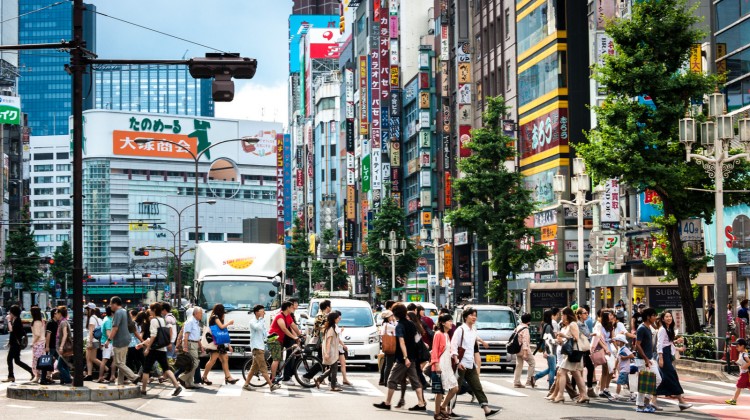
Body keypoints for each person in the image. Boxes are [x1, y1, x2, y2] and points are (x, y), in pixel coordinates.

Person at [373, 302, 428, 412]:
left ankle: (387, 403)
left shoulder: (399, 325)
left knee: (391, 380)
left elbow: (402, 342)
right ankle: (421, 403)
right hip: (412, 357)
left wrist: (405, 357)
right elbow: (417, 339)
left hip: (403, 359)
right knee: (415, 381)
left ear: (395, 313)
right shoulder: (411, 324)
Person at [450, 307, 500, 418]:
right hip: (461, 364)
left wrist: (482, 342)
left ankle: (487, 410)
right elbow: (453, 347)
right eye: (472, 315)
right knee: (455, 389)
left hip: (470, 363)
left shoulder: (473, 330)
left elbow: (474, 337)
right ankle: (448, 410)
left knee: (477, 386)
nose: (474, 317)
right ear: (465, 317)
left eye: (475, 315)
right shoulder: (460, 330)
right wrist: (457, 362)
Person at [136, 302, 182, 396]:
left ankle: (144, 390)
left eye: (151, 309)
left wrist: (147, 348)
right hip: (162, 348)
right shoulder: (163, 320)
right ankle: (177, 386)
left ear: (154, 310)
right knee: (166, 368)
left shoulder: (154, 321)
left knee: (146, 369)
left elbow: (153, 336)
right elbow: (168, 332)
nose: (150, 311)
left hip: (154, 349)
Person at [655, 310, 692, 410]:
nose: (669, 318)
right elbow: (659, 344)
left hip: (667, 354)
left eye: (670, 316)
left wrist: (677, 346)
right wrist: (661, 358)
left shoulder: (669, 329)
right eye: (666, 317)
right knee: (671, 376)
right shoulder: (662, 329)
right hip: (663, 355)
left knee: (668, 378)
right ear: (663, 319)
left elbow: (668, 344)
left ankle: (653, 400)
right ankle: (681, 402)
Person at [550, 307, 588, 404]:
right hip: (571, 352)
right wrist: (560, 340)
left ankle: (560, 395)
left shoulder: (573, 324)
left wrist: (564, 336)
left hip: (573, 352)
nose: (561, 317)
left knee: (561, 372)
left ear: (567, 315)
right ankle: (584, 395)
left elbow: (575, 338)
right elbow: (569, 340)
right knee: (576, 374)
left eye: (563, 314)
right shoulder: (568, 325)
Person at [243, 305, 280, 391]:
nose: (264, 312)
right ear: (256, 312)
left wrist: (273, 337)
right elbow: (257, 327)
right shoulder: (252, 322)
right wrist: (261, 319)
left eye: (264, 311)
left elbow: (265, 333)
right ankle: (271, 385)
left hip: (260, 347)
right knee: (263, 368)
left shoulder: (261, 321)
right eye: (262, 311)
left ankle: (246, 384)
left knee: (253, 368)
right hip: (256, 347)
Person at [202, 304, 239, 385]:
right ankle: (204, 376)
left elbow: (224, 333)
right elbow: (222, 327)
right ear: (220, 311)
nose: (224, 314)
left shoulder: (217, 318)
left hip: (219, 342)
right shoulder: (215, 317)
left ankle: (228, 377)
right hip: (215, 342)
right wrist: (229, 323)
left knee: (225, 358)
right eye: (223, 312)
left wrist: (228, 344)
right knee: (213, 360)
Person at [634, 307, 661, 413]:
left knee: (658, 379)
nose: (655, 317)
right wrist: (645, 358)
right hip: (642, 360)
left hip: (650, 359)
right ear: (648, 317)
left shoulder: (649, 327)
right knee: (643, 382)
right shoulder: (641, 328)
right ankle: (640, 405)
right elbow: (637, 344)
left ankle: (646, 401)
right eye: (654, 315)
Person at [432, 313, 459, 420]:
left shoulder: (447, 335)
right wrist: (436, 365)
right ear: (443, 323)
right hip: (440, 365)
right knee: (439, 391)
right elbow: (434, 350)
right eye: (449, 321)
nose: (451, 323)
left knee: (454, 388)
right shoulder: (438, 334)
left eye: (451, 321)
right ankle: (437, 413)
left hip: (447, 365)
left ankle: (442, 407)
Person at [108, 297, 139, 386]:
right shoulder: (125, 311)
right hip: (126, 339)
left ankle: (133, 377)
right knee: (122, 362)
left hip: (119, 341)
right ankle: (120, 382)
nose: (110, 306)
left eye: (111, 304)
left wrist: (108, 340)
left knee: (118, 363)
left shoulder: (118, 313)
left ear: (114, 304)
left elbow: (115, 328)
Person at [268, 301, 299, 383]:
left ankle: (275, 376)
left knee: (279, 358)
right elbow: (284, 329)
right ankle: (272, 379)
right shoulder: (279, 316)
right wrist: (294, 337)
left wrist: (300, 334)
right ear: (287, 308)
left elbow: (293, 325)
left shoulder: (287, 316)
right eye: (292, 307)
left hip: (279, 339)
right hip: (273, 338)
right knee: (276, 359)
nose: (293, 308)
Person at [2, 305, 33, 382]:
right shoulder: (16, 320)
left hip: (16, 345)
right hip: (15, 344)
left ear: (13, 313)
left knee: (9, 359)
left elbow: (11, 330)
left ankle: (11, 376)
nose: (9, 314)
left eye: (10, 312)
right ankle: (31, 371)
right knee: (17, 361)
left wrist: (9, 320)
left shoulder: (17, 320)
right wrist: (9, 342)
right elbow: (14, 334)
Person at [314, 311, 343, 392]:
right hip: (330, 351)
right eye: (337, 318)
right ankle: (333, 386)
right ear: (334, 319)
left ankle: (319, 379)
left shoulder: (333, 327)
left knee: (332, 368)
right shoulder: (331, 329)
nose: (339, 319)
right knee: (334, 368)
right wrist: (327, 353)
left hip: (332, 350)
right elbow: (328, 342)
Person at [179, 306, 203, 389]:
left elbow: (196, 336)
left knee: (192, 364)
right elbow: (186, 335)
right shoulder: (190, 321)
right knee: (195, 363)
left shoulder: (196, 322)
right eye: (200, 314)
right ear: (195, 314)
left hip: (194, 343)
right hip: (190, 343)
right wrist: (185, 346)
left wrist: (201, 345)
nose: (202, 315)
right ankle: (182, 377)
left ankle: (189, 383)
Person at [593, 309, 615, 398]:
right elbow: (599, 339)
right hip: (603, 348)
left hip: (609, 348)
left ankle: (605, 388)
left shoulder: (609, 325)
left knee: (611, 369)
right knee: (606, 368)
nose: (612, 317)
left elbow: (613, 337)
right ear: (606, 316)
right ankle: (602, 390)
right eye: (610, 315)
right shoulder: (599, 325)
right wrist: (606, 348)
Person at [534, 310, 557, 390]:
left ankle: (535, 377)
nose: (553, 316)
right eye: (551, 315)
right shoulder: (548, 326)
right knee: (553, 369)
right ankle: (551, 385)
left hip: (550, 349)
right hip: (550, 350)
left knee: (551, 368)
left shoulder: (545, 325)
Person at [281, 298, 302, 386]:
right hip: (286, 338)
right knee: (290, 357)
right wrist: (296, 337)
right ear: (290, 305)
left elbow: (293, 325)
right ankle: (286, 377)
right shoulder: (285, 314)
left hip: (290, 337)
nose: (297, 304)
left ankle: (289, 375)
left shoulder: (290, 314)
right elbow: (288, 328)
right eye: (296, 303)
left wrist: (299, 335)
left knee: (295, 356)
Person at [513, 313, 535, 388]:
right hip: (523, 350)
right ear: (528, 321)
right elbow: (525, 341)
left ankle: (516, 382)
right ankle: (529, 381)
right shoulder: (525, 329)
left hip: (517, 349)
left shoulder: (518, 327)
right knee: (532, 363)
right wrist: (525, 353)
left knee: (519, 365)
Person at [726, 338, 750, 405]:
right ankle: (734, 400)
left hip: (745, 373)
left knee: (738, 386)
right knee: (748, 386)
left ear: (742, 346)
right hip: (745, 373)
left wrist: (744, 367)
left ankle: (734, 400)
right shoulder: (742, 353)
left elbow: (749, 362)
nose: (736, 347)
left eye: (738, 346)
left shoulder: (744, 354)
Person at [85, 305, 105, 381]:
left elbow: (91, 331)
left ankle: (106, 368)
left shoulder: (92, 318)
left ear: (91, 310)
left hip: (92, 340)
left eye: (87, 309)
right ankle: (89, 374)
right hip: (96, 340)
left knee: (91, 358)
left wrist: (90, 342)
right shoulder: (99, 319)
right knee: (89, 358)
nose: (86, 311)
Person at [55, 306, 73, 385]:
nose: (55, 314)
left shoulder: (63, 322)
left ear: (60, 313)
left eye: (56, 313)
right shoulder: (63, 322)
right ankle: (63, 380)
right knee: (64, 364)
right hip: (63, 347)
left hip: (64, 348)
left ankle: (68, 379)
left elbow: (65, 335)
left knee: (59, 366)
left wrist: (61, 346)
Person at [379, 310, 397, 386]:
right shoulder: (388, 326)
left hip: (387, 347)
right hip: (391, 347)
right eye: (391, 316)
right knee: (388, 365)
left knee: (386, 364)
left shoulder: (385, 324)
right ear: (388, 317)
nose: (393, 317)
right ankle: (387, 382)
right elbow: (397, 328)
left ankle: (383, 380)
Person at [613, 334, 634, 400]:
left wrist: (625, 357)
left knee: (619, 382)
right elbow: (617, 359)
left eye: (617, 341)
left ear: (621, 342)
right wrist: (615, 367)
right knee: (628, 383)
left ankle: (617, 394)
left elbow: (632, 356)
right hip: (623, 369)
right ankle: (633, 394)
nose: (616, 342)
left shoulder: (625, 349)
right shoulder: (620, 349)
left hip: (624, 369)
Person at [30, 306, 47, 383]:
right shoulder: (42, 321)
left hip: (38, 343)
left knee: (36, 360)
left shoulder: (37, 322)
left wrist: (32, 343)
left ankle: (37, 376)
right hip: (42, 343)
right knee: (40, 360)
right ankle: (39, 376)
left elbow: (37, 334)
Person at [97, 305, 114, 383]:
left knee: (115, 360)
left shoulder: (107, 319)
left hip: (109, 342)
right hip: (108, 343)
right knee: (104, 360)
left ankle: (112, 376)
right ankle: (100, 377)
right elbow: (108, 333)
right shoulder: (108, 321)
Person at [42, 308, 59, 384]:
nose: (59, 314)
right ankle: (45, 377)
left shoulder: (56, 323)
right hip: (51, 345)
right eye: (57, 313)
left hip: (55, 345)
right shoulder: (50, 323)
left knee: (52, 360)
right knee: (48, 361)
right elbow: (48, 335)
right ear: (54, 314)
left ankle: (48, 376)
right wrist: (47, 346)